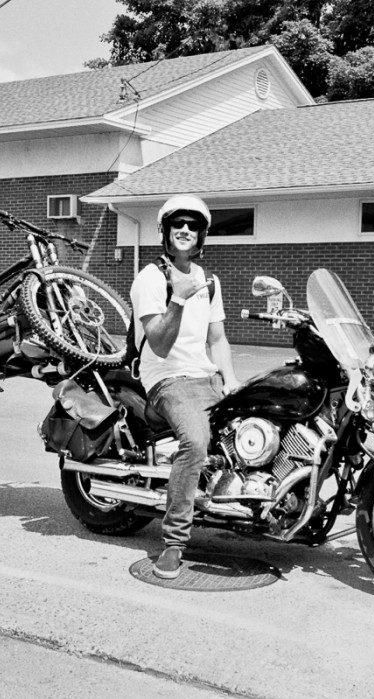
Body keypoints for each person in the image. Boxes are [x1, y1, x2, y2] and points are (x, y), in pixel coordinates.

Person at [129, 194, 239, 579]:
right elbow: (159, 344)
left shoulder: (209, 281)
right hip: (166, 377)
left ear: (202, 235)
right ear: (165, 231)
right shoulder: (150, 278)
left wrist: (230, 378)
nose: (186, 230)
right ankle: (174, 542)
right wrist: (177, 297)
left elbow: (217, 339)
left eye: (194, 225)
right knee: (195, 441)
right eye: (179, 223)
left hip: (204, 375)